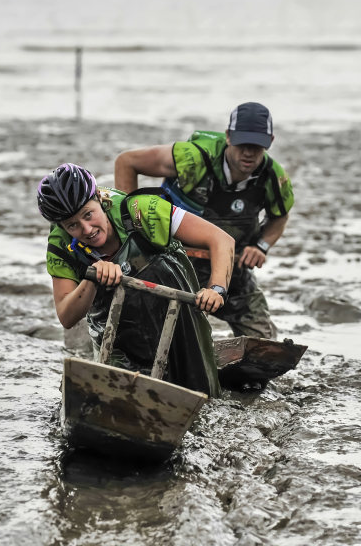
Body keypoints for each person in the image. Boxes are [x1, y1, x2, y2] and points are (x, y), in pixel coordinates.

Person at [37, 163, 235, 398]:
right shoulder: (60, 245)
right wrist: (92, 278)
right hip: (119, 335)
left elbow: (221, 240)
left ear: (99, 198)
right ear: (62, 227)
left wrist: (216, 289)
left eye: (88, 215)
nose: (87, 229)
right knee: (117, 397)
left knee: (203, 396)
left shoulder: (141, 209)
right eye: (73, 225)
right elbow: (66, 316)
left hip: (178, 318)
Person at [114, 102, 294, 339]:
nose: (249, 153)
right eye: (243, 144)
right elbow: (127, 162)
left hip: (231, 267)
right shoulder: (193, 158)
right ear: (229, 137)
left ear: (270, 141)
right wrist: (131, 231)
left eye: (257, 145)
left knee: (264, 343)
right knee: (158, 336)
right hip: (175, 262)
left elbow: (279, 217)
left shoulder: (274, 178)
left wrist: (261, 246)